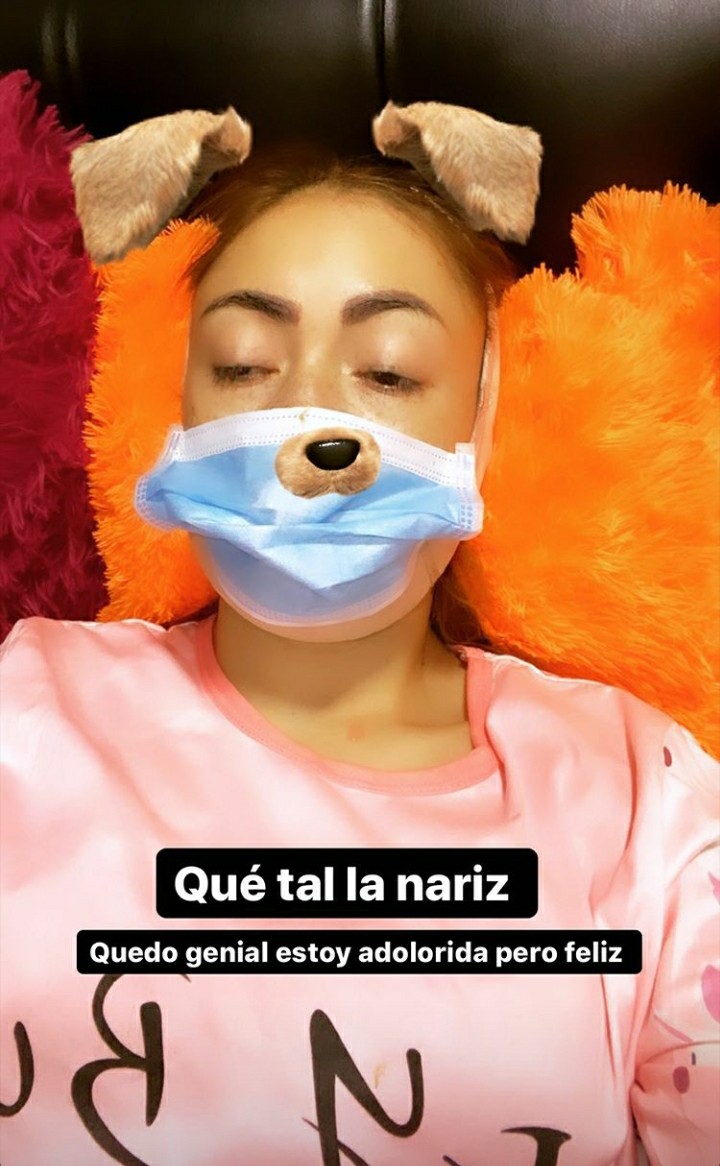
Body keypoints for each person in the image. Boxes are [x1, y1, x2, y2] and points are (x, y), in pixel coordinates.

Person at [1, 139, 718, 1166]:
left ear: (486, 421)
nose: (311, 419)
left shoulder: (645, 804)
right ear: (181, 402)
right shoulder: (28, 708)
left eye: (388, 371)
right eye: (242, 362)